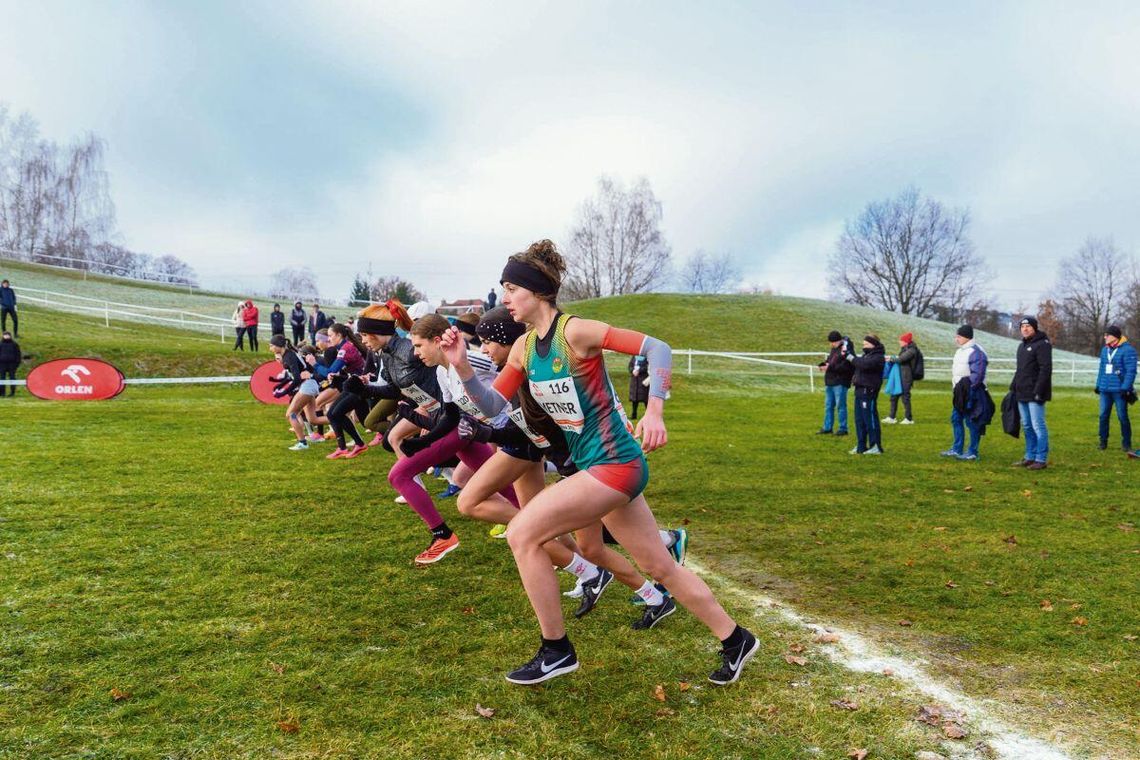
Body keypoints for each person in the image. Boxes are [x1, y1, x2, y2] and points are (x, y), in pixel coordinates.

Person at [441, 239, 758, 687]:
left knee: (522, 533)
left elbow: (658, 349)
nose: (505, 298)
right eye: (504, 289)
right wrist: (463, 368)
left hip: (614, 464)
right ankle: (736, 638)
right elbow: (493, 405)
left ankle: (556, 649)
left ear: (538, 291)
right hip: (598, 467)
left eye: (512, 288)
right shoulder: (523, 348)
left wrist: (654, 410)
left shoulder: (576, 332)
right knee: (660, 567)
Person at [1011, 316, 1052, 470]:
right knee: (1027, 426)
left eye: (1028, 326)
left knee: (1038, 425)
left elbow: (1045, 369)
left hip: (1035, 393)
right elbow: (1020, 370)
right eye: (1022, 327)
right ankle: (1030, 456)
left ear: (1034, 328)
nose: (1025, 329)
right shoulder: (1022, 346)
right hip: (1022, 392)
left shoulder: (1043, 345)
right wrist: (1013, 387)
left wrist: (1039, 391)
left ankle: (1041, 459)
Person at [941, 325, 988, 460]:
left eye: (959, 336)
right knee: (956, 419)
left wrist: (970, 390)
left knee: (971, 421)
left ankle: (972, 452)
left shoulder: (976, 352)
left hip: (972, 392)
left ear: (967, 337)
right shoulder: (960, 351)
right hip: (959, 393)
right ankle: (957, 449)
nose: (956, 339)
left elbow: (978, 375)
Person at [1095, 325, 1136, 453]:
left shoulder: (1128, 350)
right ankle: (1103, 441)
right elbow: (1102, 369)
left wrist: (1125, 388)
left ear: (1115, 337)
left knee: (1122, 416)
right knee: (1103, 416)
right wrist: (1098, 385)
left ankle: (1126, 443)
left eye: (1107, 335)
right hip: (1105, 390)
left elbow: (1131, 371)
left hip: (1119, 391)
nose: (1105, 337)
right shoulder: (1104, 350)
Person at [845, 335, 886, 454]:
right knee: (860, 420)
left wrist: (850, 357)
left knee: (870, 419)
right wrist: (849, 349)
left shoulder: (878, 357)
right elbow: (858, 363)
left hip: (869, 391)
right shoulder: (866, 356)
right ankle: (861, 445)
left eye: (866, 344)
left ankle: (875, 446)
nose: (864, 346)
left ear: (874, 344)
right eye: (863, 344)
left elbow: (863, 364)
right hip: (859, 390)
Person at [816, 331, 854, 435]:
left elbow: (847, 367)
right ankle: (827, 427)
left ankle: (843, 428)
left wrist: (829, 367)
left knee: (840, 406)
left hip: (840, 381)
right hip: (830, 381)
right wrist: (823, 364)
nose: (831, 344)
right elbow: (830, 360)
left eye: (833, 342)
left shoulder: (847, 350)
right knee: (828, 406)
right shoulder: (834, 349)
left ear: (839, 340)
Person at [884, 332, 919, 424]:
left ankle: (908, 419)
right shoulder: (906, 349)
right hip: (900, 376)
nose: (899, 342)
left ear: (905, 342)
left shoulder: (911, 351)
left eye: (901, 340)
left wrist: (890, 359)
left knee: (905, 398)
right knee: (894, 396)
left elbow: (901, 359)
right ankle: (892, 417)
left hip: (906, 377)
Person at [628, 355, 650, 420]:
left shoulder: (647, 357)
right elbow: (630, 366)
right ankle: (634, 414)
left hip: (643, 380)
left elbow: (648, 367)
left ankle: (649, 415)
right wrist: (632, 371)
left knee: (645, 399)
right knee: (634, 399)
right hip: (635, 381)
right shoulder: (634, 356)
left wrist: (639, 370)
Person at [0, 330, 20, 396]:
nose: (6, 336)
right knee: (2, 378)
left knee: (12, 378)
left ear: (10, 336)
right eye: (5, 335)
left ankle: (12, 392)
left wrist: (16, 364)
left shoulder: (15, 344)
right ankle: (2, 393)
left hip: (12, 364)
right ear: (3, 336)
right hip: (2, 364)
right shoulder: (0, 344)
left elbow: (18, 355)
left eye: (8, 335)